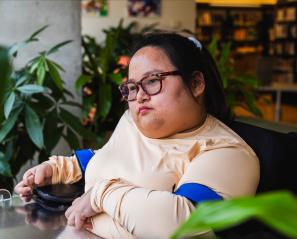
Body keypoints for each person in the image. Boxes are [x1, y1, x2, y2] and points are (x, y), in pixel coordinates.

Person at [14, 33, 260, 238]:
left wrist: (101, 195)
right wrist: (58, 168)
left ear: (196, 83)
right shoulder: (133, 121)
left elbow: (183, 221)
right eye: (132, 87)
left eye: (153, 81)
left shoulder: (227, 153)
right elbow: (109, 157)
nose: (139, 95)